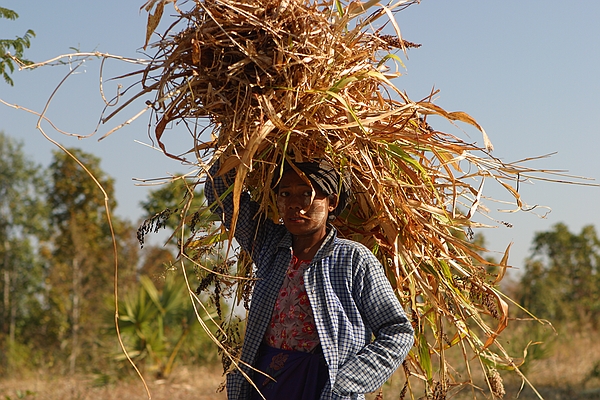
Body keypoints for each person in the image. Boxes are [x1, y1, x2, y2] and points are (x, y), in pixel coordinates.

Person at [205, 157, 414, 400]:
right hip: (266, 381)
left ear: (332, 202)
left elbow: (397, 330)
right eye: (285, 194)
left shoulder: (352, 258)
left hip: (323, 388)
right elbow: (219, 190)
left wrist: (346, 381)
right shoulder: (268, 245)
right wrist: (247, 142)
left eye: (306, 193)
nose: (294, 204)